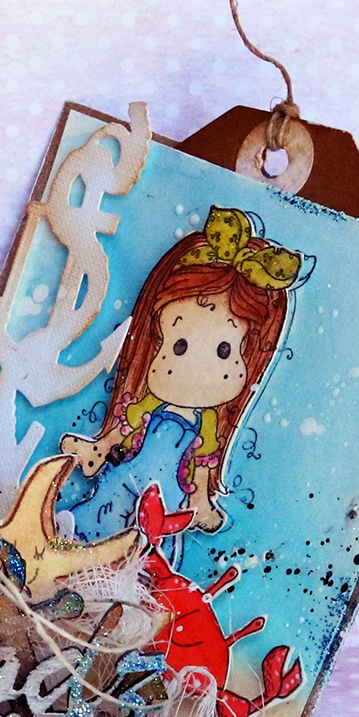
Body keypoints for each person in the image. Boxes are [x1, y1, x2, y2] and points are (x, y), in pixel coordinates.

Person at [57, 207, 302, 564]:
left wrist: (200, 502)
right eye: (179, 345)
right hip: (120, 487)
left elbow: (201, 465)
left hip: (165, 511)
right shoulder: (147, 406)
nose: (195, 367)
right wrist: (97, 449)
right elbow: (123, 430)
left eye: (224, 351)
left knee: (143, 559)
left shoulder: (208, 428)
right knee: (97, 526)